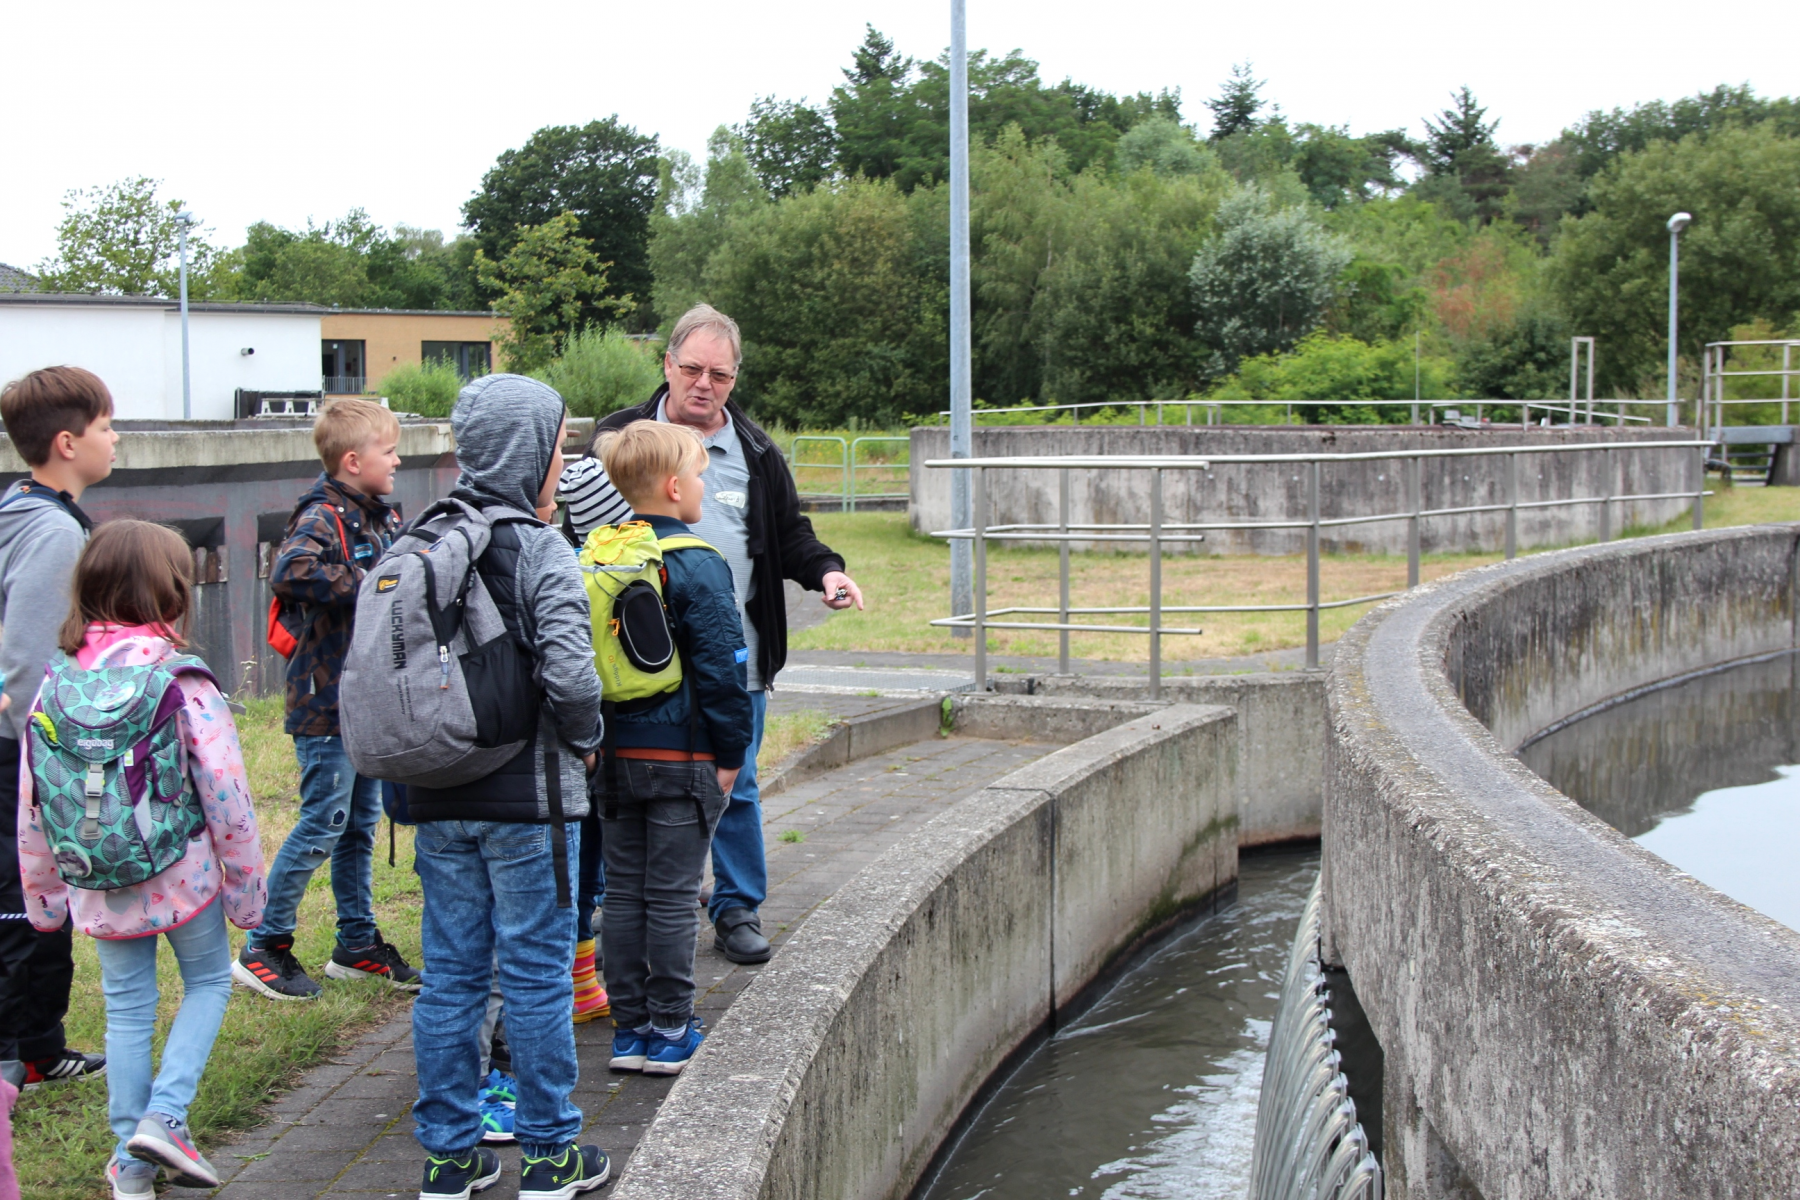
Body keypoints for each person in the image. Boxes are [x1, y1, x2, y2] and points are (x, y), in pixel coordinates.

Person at [595, 304, 864, 965]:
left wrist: (827, 572)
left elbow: (790, 533)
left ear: (735, 376)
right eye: (692, 368)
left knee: (734, 782)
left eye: (719, 373)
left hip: (733, 655)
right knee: (625, 786)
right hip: (632, 666)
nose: (704, 384)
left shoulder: (756, 452)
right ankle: (628, 904)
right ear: (667, 364)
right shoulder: (617, 438)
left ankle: (737, 905)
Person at [405, 374, 610, 1200]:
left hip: (439, 791)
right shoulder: (537, 546)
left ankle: (450, 1161)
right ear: (533, 452)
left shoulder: (418, 540)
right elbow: (572, 673)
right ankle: (553, 1155)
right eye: (559, 446)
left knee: (451, 973)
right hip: (529, 798)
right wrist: (589, 739)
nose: (563, 462)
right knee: (534, 969)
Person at [17, 520, 266, 1197]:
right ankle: (164, 1117)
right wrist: (247, 892)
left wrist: (43, 897)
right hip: (180, 870)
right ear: (172, 591)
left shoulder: (54, 686)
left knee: (127, 1006)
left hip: (96, 878)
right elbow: (227, 793)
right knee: (209, 981)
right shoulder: (180, 679)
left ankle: (129, 1169)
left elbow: (32, 801)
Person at [234, 399, 418, 1000]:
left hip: (364, 700)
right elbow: (290, 572)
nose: (397, 460)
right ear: (351, 459)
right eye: (388, 451)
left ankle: (356, 942)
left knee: (360, 825)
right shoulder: (322, 515)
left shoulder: (379, 516)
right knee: (324, 821)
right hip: (325, 700)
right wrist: (373, 584)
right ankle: (265, 941)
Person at [593, 421, 752, 1076]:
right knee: (675, 892)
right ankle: (672, 1027)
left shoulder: (599, 552)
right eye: (698, 471)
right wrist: (731, 750)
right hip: (682, 756)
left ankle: (629, 1031)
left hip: (614, 754)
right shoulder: (697, 561)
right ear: (673, 484)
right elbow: (722, 667)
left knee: (625, 892)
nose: (705, 482)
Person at [0, 365, 116, 1091]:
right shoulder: (51, 532)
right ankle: (20, 1054)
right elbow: (30, 665)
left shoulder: (20, 510)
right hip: (23, 753)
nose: (116, 439)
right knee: (27, 903)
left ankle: (37, 1045)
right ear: (68, 443)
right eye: (107, 427)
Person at [555, 458, 631, 1025]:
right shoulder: (603, 571)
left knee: (585, 861)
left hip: (580, 742)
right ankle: (578, 980)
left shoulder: (568, 562)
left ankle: (580, 976)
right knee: (583, 862)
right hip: (589, 743)